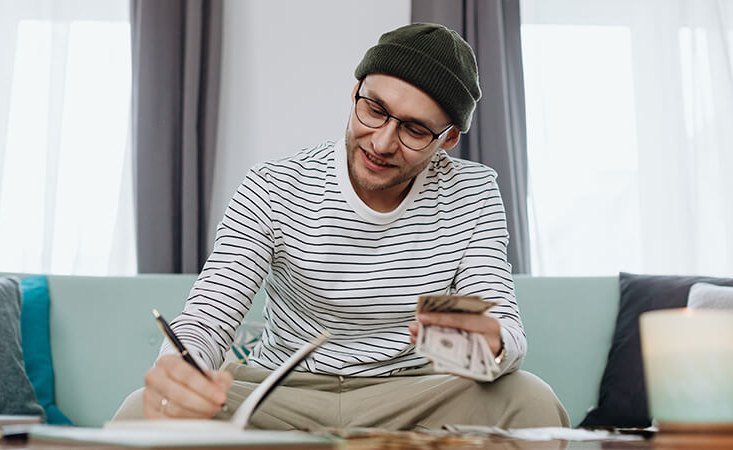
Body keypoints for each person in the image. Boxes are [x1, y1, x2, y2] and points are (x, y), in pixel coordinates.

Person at [115, 22, 568, 430]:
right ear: (355, 93)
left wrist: (490, 346)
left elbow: (506, 333)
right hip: (280, 391)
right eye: (374, 109)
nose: (383, 141)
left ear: (447, 138)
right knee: (140, 412)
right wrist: (181, 368)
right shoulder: (273, 184)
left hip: (410, 396)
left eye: (414, 130)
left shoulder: (472, 192)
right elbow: (209, 316)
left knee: (532, 403)